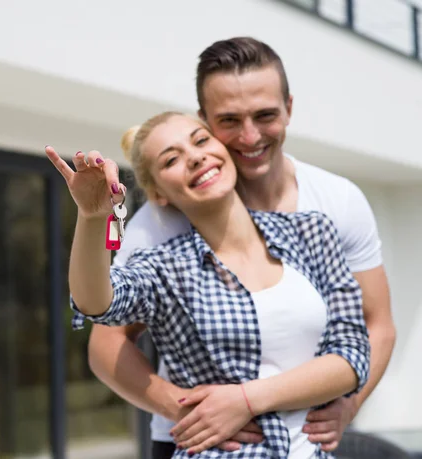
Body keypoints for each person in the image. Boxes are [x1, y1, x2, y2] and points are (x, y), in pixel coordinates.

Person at [87, 37, 396, 458]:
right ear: (205, 119)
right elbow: (106, 343)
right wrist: (191, 411)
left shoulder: (334, 204)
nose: (250, 136)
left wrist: (348, 405)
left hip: (307, 437)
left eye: (265, 115)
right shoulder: (161, 222)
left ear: (289, 107)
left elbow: (375, 325)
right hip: (198, 440)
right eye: (229, 120)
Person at [44, 110, 370, 458]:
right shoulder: (167, 267)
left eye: (200, 141)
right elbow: (98, 302)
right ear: (158, 194)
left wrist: (246, 400)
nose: (195, 157)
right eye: (171, 159)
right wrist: (93, 218)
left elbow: (353, 353)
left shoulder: (312, 233)